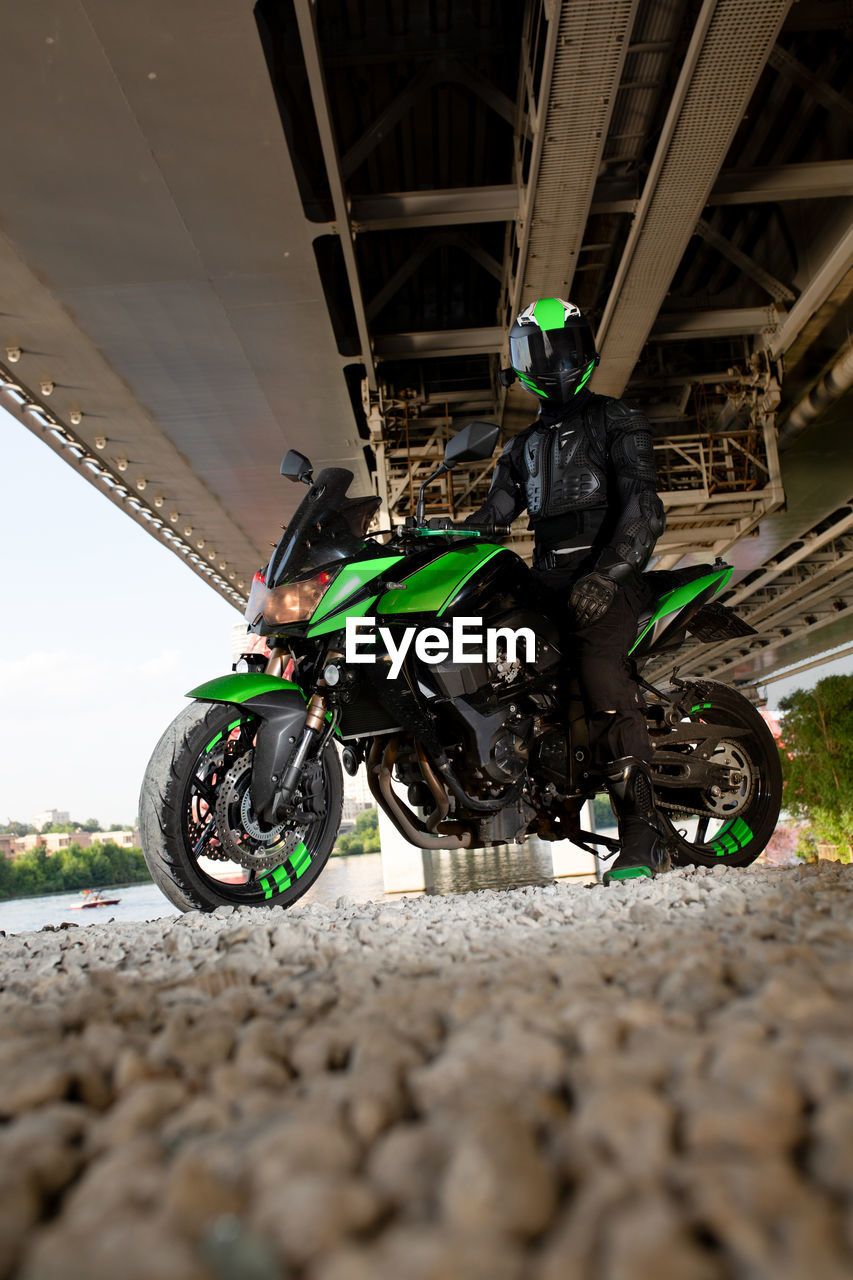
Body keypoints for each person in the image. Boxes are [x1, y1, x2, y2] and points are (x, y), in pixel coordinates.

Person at [466, 297, 667, 883]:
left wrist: (608, 574)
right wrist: (430, 534)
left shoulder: (618, 420)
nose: (554, 360)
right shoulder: (520, 448)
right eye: (539, 350)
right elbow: (491, 517)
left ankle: (643, 832)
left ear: (585, 350)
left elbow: (644, 509)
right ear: (521, 364)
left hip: (610, 579)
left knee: (599, 673)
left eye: (564, 346)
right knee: (484, 654)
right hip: (545, 583)